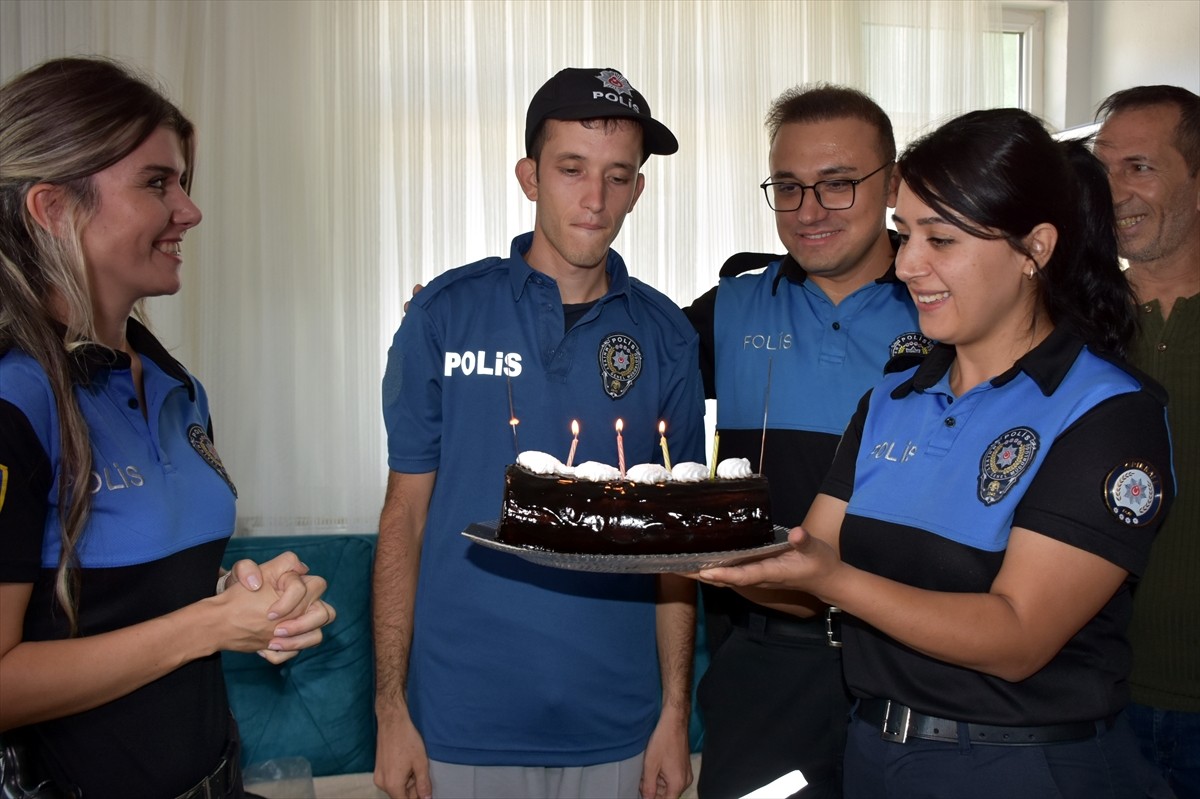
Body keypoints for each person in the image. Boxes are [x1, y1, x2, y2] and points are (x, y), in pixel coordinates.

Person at [695, 108, 1176, 798]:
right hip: (875, 750)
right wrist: (697, 549)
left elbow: (1017, 636)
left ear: (1035, 247)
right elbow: (810, 565)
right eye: (906, 233)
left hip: (1022, 765)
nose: (909, 262)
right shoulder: (896, 390)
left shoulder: (1104, 410)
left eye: (940, 239)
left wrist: (830, 579)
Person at [0, 57, 336, 798]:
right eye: (158, 183)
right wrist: (212, 623)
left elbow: (134, 597)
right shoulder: (14, 400)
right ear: (53, 208)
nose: (190, 210)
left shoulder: (177, 387)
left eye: (182, 181)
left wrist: (245, 593)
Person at [373, 67, 704, 799]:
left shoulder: (669, 336)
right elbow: (405, 515)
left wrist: (675, 712)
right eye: (572, 170)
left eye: (619, 176)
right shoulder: (444, 316)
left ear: (639, 189)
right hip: (459, 720)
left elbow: (675, 546)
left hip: (616, 721)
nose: (595, 199)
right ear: (530, 177)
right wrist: (389, 708)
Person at [681, 85, 927, 799]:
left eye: (838, 184)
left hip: (914, 665)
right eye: (788, 187)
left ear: (891, 183)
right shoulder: (732, 305)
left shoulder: (946, 299)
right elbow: (612, 363)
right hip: (765, 666)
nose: (810, 210)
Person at [1094, 84, 1200, 798]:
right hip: (1096, 699)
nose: (1113, 190)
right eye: (1102, 167)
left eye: (1139, 166)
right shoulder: (1072, 328)